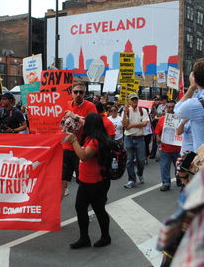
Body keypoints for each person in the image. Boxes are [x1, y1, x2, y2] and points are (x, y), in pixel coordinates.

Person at [66, 113, 112, 249]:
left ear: (91, 124)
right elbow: (80, 120)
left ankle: (105, 237)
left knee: (99, 210)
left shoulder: (96, 141)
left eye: (86, 122)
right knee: (80, 208)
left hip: (96, 182)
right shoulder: (90, 138)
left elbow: (84, 156)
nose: (83, 123)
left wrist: (73, 141)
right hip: (86, 181)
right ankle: (84, 238)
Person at [61, 82, 97, 199]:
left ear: (84, 93)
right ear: (71, 93)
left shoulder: (90, 106)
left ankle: (87, 199)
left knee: (82, 179)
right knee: (63, 178)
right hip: (66, 146)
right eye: (75, 92)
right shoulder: (65, 104)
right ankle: (57, 205)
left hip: (81, 148)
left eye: (81, 92)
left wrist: (74, 116)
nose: (78, 94)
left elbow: (93, 126)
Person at [122, 93, 149, 188]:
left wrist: (132, 125)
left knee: (141, 160)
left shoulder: (143, 110)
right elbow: (125, 126)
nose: (134, 101)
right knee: (129, 160)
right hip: (128, 138)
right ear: (129, 101)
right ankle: (131, 180)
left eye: (136, 99)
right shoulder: (126, 111)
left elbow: (145, 123)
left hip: (140, 138)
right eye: (132, 99)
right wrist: (125, 113)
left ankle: (140, 173)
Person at [154, 100, 181, 191]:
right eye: (169, 107)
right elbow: (157, 131)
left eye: (173, 107)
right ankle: (166, 183)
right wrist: (157, 137)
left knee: (178, 166)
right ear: (166, 108)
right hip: (165, 148)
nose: (171, 109)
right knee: (164, 167)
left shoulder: (180, 119)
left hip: (177, 148)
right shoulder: (162, 119)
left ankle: (179, 178)